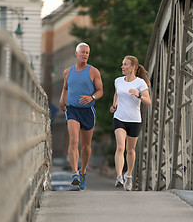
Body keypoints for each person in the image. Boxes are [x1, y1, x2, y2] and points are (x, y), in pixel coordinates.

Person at [59, 42, 103, 190]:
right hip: (72, 110)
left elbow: (100, 91)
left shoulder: (94, 71)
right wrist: (61, 99)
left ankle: (83, 171)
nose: (85, 55)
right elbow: (65, 88)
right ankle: (75, 173)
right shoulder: (67, 72)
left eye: (87, 53)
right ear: (76, 54)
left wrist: (92, 98)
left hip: (88, 111)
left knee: (85, 146)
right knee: (74, 140)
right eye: (83, 52)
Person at [109, 55, 151, 191]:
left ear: (133, 67)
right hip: (119, 118)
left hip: (134, 120)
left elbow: (148, 101)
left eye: (125, 64)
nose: (122, 66)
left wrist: (138, 95)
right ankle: (119, 176)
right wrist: (114, 105)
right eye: (122, 64)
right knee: (120, 147)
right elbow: (117, 94)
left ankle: (129, 176)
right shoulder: (118, 81)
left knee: (130, 150)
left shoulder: (140, 83)